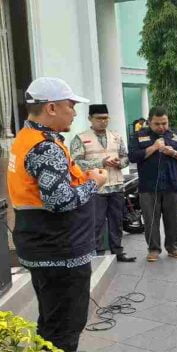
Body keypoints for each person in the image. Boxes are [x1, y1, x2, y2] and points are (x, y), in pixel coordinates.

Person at [7, 77, 108, 352]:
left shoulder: (30, 137)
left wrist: (87, 174)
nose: (74, 112)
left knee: (52, 322)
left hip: (45, 247)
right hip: (59, 251)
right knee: (65, 324)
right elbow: (60, 200)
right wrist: (95, 183)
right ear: (50, 108)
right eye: (70, 106)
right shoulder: (45, 147)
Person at [70, 104, 136, 263]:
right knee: (96, 222)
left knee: (117, 221)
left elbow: (126, 157)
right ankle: (97, 253)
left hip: (116, 185)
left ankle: (117, 251)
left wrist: (120, 163)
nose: (103, 121)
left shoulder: (116, 136)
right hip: (95, 188)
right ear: (90, 119)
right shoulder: (81, 138)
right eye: (99, 118)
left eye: (106, 118)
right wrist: (101, 162)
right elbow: (75, 163)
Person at [128, 106, 177, 262]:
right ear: (149, 122)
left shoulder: (176, 135)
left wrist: (174, 153)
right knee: (151, 220)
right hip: (148, 186)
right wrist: (153, 148)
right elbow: (133, 156)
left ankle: (173, 247)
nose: (162, 127)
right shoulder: (139, 136)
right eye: (157, 124)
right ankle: (153, 249)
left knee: (172, 219)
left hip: (172, 184)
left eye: (164, 123)